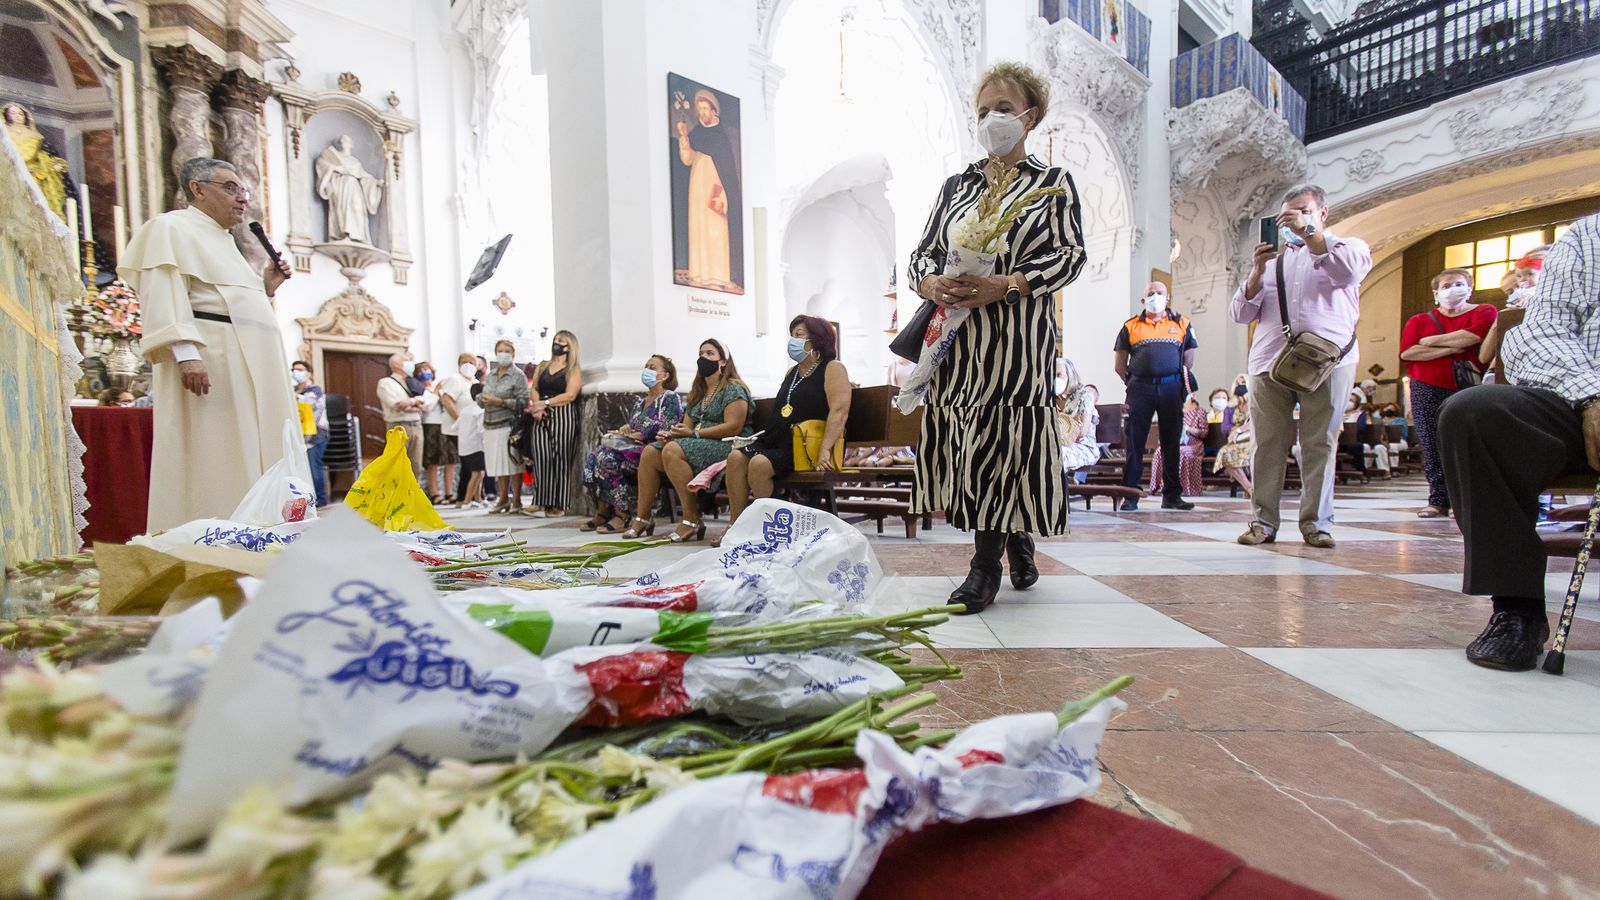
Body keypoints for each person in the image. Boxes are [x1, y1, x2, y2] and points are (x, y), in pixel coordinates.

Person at [907, 61, 1086, 613]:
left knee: (1002, 440)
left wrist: (1007, 284)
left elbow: (1070, 256)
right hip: (957, 342)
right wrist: (930, 280)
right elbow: (921, 254)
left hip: (1015, 340)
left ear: (1029, 117)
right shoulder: (956, 186)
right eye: (983, 110)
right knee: (971, 445)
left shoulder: (1052, 183)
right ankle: (1016, 536)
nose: (991, 119)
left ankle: (984, 568)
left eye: (1003, 109)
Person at [1436, 214, 1600, 671]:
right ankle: (1517, 609)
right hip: (1580, 393)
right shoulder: (1590, 236)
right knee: (1475, 413)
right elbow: (1540, 331)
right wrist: (1591, 394)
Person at [117, 157, 296, 531]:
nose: (241, 198)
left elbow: (226, 302)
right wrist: (186, 353)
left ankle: (265, 530)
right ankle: (217, 533)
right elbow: (164, 291)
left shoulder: (225, 241)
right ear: (197, 189)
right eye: (230, 188)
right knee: (222, 452)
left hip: (253, 362)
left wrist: (266, 287)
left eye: (243, 190)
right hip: (215, 359)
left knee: (260, 448)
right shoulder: (170, 228)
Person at [1229, 183, 1372, 549]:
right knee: (1267, 444)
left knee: (1319, 443)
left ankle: (1316, 524)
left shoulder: (1348, 247)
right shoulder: (1272, 259)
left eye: (1304, 211)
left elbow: (1347, 274)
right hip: (1268, 363)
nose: (1294, 219)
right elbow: (1240, 313)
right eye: (1288, 214)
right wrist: (1256, 272)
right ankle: (1263, 521)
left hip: (1327, 361)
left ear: (1322, 213)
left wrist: (1310, 234)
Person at [725, 316, 851, 527]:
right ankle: (734, 526)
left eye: (799, 335)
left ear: (816, 340)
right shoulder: (792, 373)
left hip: (805, 444)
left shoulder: (833, 368)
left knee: (759, 464)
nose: (793, 341)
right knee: (735, 459)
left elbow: (839, 411)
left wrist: (825, 450)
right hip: (777, 439)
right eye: (792, 335)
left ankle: (767, 527)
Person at [627, 339, 751, 542]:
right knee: (651, 452)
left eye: (710, 354)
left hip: (727, 444)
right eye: (701, 353)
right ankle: (643, 517)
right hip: (698, 442)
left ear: (723, 361)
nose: (703, 357)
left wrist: (693, 435)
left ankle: (690, 518)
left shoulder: (733, 388)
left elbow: (733, 426)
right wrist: (671, 434)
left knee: (672, 451)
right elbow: (686, 427)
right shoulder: (699, 392)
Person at [1400, 267, 1496, 517]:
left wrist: (1431, 342)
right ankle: (1438, 499)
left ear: (1470, 287)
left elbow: (1473, 338)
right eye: (1446, 286)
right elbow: (1408, 353)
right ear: (1436, 292)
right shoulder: (1419, 320)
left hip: (1467, 385)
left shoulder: (1484, 311)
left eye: (1458, 284)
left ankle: (1466, 500)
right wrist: (1452, 348)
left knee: (1468, 443)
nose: (1453, 289)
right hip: (1426, 385)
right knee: (1432, 443)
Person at [1114, 282, 1198, 512]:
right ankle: (1130, 494)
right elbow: (1120, 365)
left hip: (1171, 388)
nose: (1155, 297)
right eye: (1150, 293)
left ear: (1167, 297)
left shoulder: (1182, 323)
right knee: (1135, 441)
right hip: (1140, 388)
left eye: (1160, 293)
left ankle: (1172, 495)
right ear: (1143, 300)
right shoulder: (1130, 326)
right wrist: (1133, 382)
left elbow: (1188, 361)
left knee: (1171, 442)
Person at [581, 355, 684, 533]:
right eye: (646, 366)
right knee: (592, 459)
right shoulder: (639, 402)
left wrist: (641, 433)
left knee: (607, 458)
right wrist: (626, 429)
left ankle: (623, 514)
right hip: (631, 448)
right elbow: (633, 426)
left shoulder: (669, 398)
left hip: (652, 451)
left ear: (664, 375)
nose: (647, 370)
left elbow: (667, 427)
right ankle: (603, 511)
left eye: (652, 367)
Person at [520, 330, 584, 517]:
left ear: (569, 346)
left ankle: (559, 503)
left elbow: (570, 395)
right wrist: (538, 406)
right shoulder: (543, 365)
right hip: (540, 413)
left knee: (561, 458)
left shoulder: (573, 369)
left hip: (563, 413)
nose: (557, 343)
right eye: (555, 340)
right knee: (541, 457)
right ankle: (540, 500)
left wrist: (546, 403)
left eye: (561, 341)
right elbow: (535, 389)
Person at [479, 340, 530, 514]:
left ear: (513, 354)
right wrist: (482, 399)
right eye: (500, 350)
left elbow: (523, 401)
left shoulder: (518, 375)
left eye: (507, 351)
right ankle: (502, 499)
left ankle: (516, 500)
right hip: (490, 423)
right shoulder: (491, 375)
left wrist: (500, 402)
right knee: (498, 464)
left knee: (512, 463)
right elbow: (484, 394)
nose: (503, 353)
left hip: (508, 424)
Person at [377, 351, 429, 479]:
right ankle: (396, 497)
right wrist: (415, 403)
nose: (410, 364)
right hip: (398, 426)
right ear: (396, 365)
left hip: (416, 426)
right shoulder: (386, 383)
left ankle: (412, 495)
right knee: (397, 465)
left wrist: (410, 403)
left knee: (416, 465)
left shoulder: (412, 383)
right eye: (406, 361)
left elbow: (425, 404)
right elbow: (396, 405)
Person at [436, 353, 477, 504]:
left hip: (471, 428)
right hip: (456, 428)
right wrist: (461, 420)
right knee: (466, 462)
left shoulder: (475, 381)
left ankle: (471, 495)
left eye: (471, 362)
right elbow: (447, 401)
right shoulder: (455, 379)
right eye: (464, 362)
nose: (468, 365)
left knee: (471, 462)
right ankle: (463, 496)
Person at [1149, 393, 1207, 498]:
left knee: (1178, 452)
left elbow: (1204, 433)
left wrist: (1188, 429)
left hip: (1194, 444)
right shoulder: (1175, 411)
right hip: (1176, 442)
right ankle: (1162, 486)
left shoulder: (1200, 412)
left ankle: (1179, 487)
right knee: (1160, 451)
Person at [291, 360, 330, 507]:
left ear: (308, 372)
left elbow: (312, 404)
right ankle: (305, 498)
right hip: (299, 433)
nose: (296, 372)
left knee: (314, 467)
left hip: (316, 434)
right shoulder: (294, 389)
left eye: (300, 369)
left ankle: (320, 499)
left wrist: (297, 397)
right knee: (302, 468)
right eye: (294, 369)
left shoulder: (314, 389)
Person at [1057, 362, 1102, 478]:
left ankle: (1058, 493)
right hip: (1057, 444)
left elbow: (1082, 432)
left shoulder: (1085, 396)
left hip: (1084, 448)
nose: (1054, 379)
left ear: (1070, 376)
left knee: (1057, 453)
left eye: (1059, 375)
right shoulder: (1050, 399)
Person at [454, 381, 489, 510]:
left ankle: (478, 498)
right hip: (476, 446)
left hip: (464, 446)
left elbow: (455, 427)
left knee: (478, 473)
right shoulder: (480, 410)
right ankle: (467, 500)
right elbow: (481, 430)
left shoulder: (465, 410)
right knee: (477, 473)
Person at [1215, 392, 1254, 497]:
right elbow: (1225, 428)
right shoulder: (1230, 408)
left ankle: (1252, 489)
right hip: (1238, 442)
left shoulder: (1255, 403)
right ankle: (1249, 488)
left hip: (1255, 440)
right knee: (1225, 453)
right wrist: (1236, 430)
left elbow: (1255, 422)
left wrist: (1238, 430)